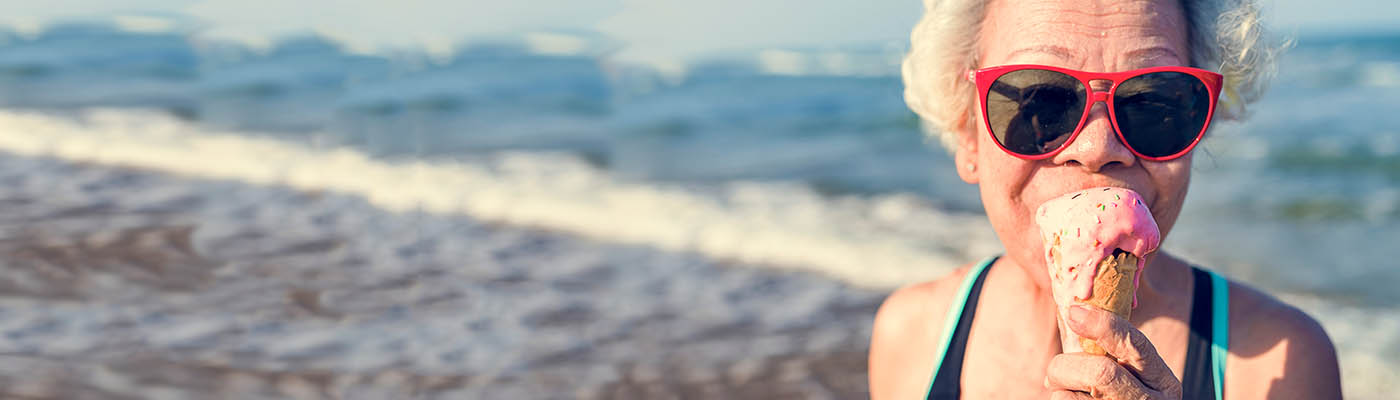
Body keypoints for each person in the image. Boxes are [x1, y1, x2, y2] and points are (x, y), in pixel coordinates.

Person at [868, 0, 1344, 399]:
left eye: (1153, 101)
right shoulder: (911, 335)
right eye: (1040, 102)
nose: (1098, 149)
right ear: (967, 134)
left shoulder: (1281, 360)